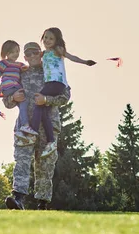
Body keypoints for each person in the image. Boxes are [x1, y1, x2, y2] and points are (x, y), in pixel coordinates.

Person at [3, 41, 70, 210]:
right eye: (29, 54)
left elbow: (65, 96)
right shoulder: (20, 73)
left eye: (35, 53)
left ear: (41, 54)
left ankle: (42, 204)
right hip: (25, 127)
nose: (32, 56)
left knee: (45, 166)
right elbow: (7, 101)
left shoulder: (51, 71)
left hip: (48, 127)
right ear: (24, 57)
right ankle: (18, 198)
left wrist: (47, 100)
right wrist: (13, 99)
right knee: (22, 161)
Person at [28, 27, 95, 157]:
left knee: (38, 102)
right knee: (43, 111)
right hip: (50, 83)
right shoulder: (44, 54)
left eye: (51, 38)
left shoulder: (58, 50)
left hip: (57, 83)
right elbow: (35, 61)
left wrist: (85, 62)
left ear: (56, 41)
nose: (47, 40)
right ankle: (51, 142)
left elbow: (72, 57)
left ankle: (32, 133)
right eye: (46, 37)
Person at [0, 40, 37, 137]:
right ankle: (25, 125)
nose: (16, 54)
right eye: (12, 52)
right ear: (6, 53)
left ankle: (24, 126)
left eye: (17, 51)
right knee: (24, 99)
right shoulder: (4, 63)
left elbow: (27, 67)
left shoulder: (19, 64)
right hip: (9, 86)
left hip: (13, 87)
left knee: (23, 103)